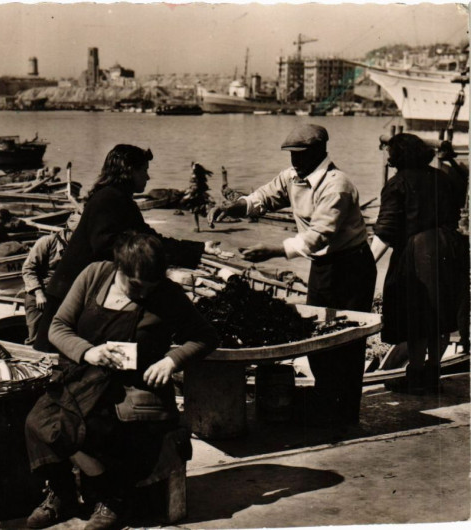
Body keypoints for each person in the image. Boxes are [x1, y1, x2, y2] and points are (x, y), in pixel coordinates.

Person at [24, 233, 219, 530]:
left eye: (149, 287)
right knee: (38, 422)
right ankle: (62, 493)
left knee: (96, 427)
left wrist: (172, 360)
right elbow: (58, 327)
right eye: (135, 285)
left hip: (134, 387)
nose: (142, 294)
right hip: (83, 377)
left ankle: (110, 499)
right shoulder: (94, 276)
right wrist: (88, 352)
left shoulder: (168, 294)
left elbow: (205, 337)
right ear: (119, 269)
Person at [208, 123, 376, 426]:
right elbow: (265, 196)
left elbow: (319, 235)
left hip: (352, 267)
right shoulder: (293, 176)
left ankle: (346, 412)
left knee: (349, 340)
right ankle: (326, 401)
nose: (294, 162)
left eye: (300, 155)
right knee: (318, 333)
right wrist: (237, 207)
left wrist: (274, 250)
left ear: (319, 152)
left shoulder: (337, 185)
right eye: (291, 155)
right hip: (323, 268)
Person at [33, 144, 204, 352]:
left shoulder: (119, 199)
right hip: (72, 293)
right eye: (145, 170)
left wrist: (199, 250)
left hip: (84, 291)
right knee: (55, 356)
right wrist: (146, 260)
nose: (148, 177)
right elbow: (105, 245)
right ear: (129, 170)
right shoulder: (108, 199)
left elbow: (149, 240)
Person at [370, 133, 468, 394]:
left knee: (416, 318)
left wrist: (367, 264)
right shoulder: (441, 177)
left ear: (398, 156)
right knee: (441, 316)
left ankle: (414, 374)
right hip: (449, 249)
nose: (389, 159)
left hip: (417, 254)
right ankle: (433, 374)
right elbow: (456, 209)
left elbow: (386, 232)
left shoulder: (397, 183)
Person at [22, 213, 81, 344]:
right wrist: (38, 293)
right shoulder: (46, 242)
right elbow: (28, 269)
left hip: (61, 294)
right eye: (75, 234)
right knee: (36, 337)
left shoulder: (79, 248)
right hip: (40, 294)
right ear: (67, 229)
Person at [179, 162, 213, 232]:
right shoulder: (200, 176)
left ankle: (197, 227)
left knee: (195, 212)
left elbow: (194, 186)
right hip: (200, 195)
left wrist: (189, 193)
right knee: (201, 211)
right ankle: (209, 221)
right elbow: (199, 186)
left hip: (195, 196)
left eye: (192, 168)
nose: (191, 169)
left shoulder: (194, 176)